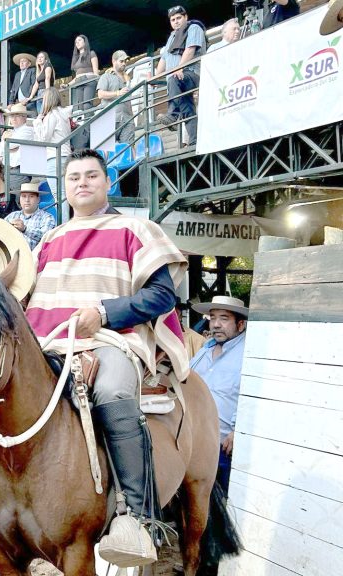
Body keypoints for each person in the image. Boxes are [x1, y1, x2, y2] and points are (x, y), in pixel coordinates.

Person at [26, 149, 190, 568]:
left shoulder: (135, 228)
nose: (82, 182)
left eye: (91, 176)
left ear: (107, 182)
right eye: (74, 177)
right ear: (64, 187)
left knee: (114, 388)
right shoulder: (47, 240)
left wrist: (103, 313)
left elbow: (161, 295)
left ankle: (135, 517)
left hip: (110, 340)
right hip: (47, 344)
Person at [190, 296, 248, 491]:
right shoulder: (204, 350)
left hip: (224, 445)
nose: (216, 324)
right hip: (194, 440)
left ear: (240, 324)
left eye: (224, 319)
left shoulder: (248, 354)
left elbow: (251, 396)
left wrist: (238, 430)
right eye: (212, 318)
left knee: (223, 502)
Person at [155, 5, 206, 148]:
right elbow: (164, 59)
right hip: (178, 80)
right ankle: (195, 142)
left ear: (186, 17)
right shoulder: (172, 36)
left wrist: (179, 68)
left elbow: (190, 50)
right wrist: (154, 78)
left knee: (174, 78)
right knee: (187, 110)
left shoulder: (194, 28)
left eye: (179, 18)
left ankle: (172, 115)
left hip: (191, 74)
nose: (176, 21)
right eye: (173, 19)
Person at [33, 87, 73, 219]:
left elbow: (44, 138)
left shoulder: (51, 115)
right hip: (66, 155)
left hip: (53, 157)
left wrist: (37, 122)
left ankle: (63, 224)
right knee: (64, 194)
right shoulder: (64, 114)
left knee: (59, 195)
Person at [97, 50, 135, 144]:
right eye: (121, 61)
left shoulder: (127, 78)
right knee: (106, 150)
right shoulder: (106, 76)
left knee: (129, 148)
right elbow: (100, 94)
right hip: (110, 117)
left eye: (125, 61)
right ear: (114, 61)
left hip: (127, 118)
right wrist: (117, 93)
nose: (124, 64)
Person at [4, 182, 54, 250]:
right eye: (24, 196)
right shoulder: (12, 216)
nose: (27, 200)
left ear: (38, 199)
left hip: (35, 259)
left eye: (31, 196)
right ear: (20, 199)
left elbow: (46, 238)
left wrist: (25, 229)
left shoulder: (47, 218)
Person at [70, 34, 100, 110]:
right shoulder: (76, 58)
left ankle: (91, 120)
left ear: (85, 41)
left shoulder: (91, 53)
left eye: (79, 40)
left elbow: (96, 72)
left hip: (88, 80)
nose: (77, 43)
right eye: (76, 42)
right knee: (80, 107)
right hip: (78, 82)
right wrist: (67, 84)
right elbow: (77, 76)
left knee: (87, 105)